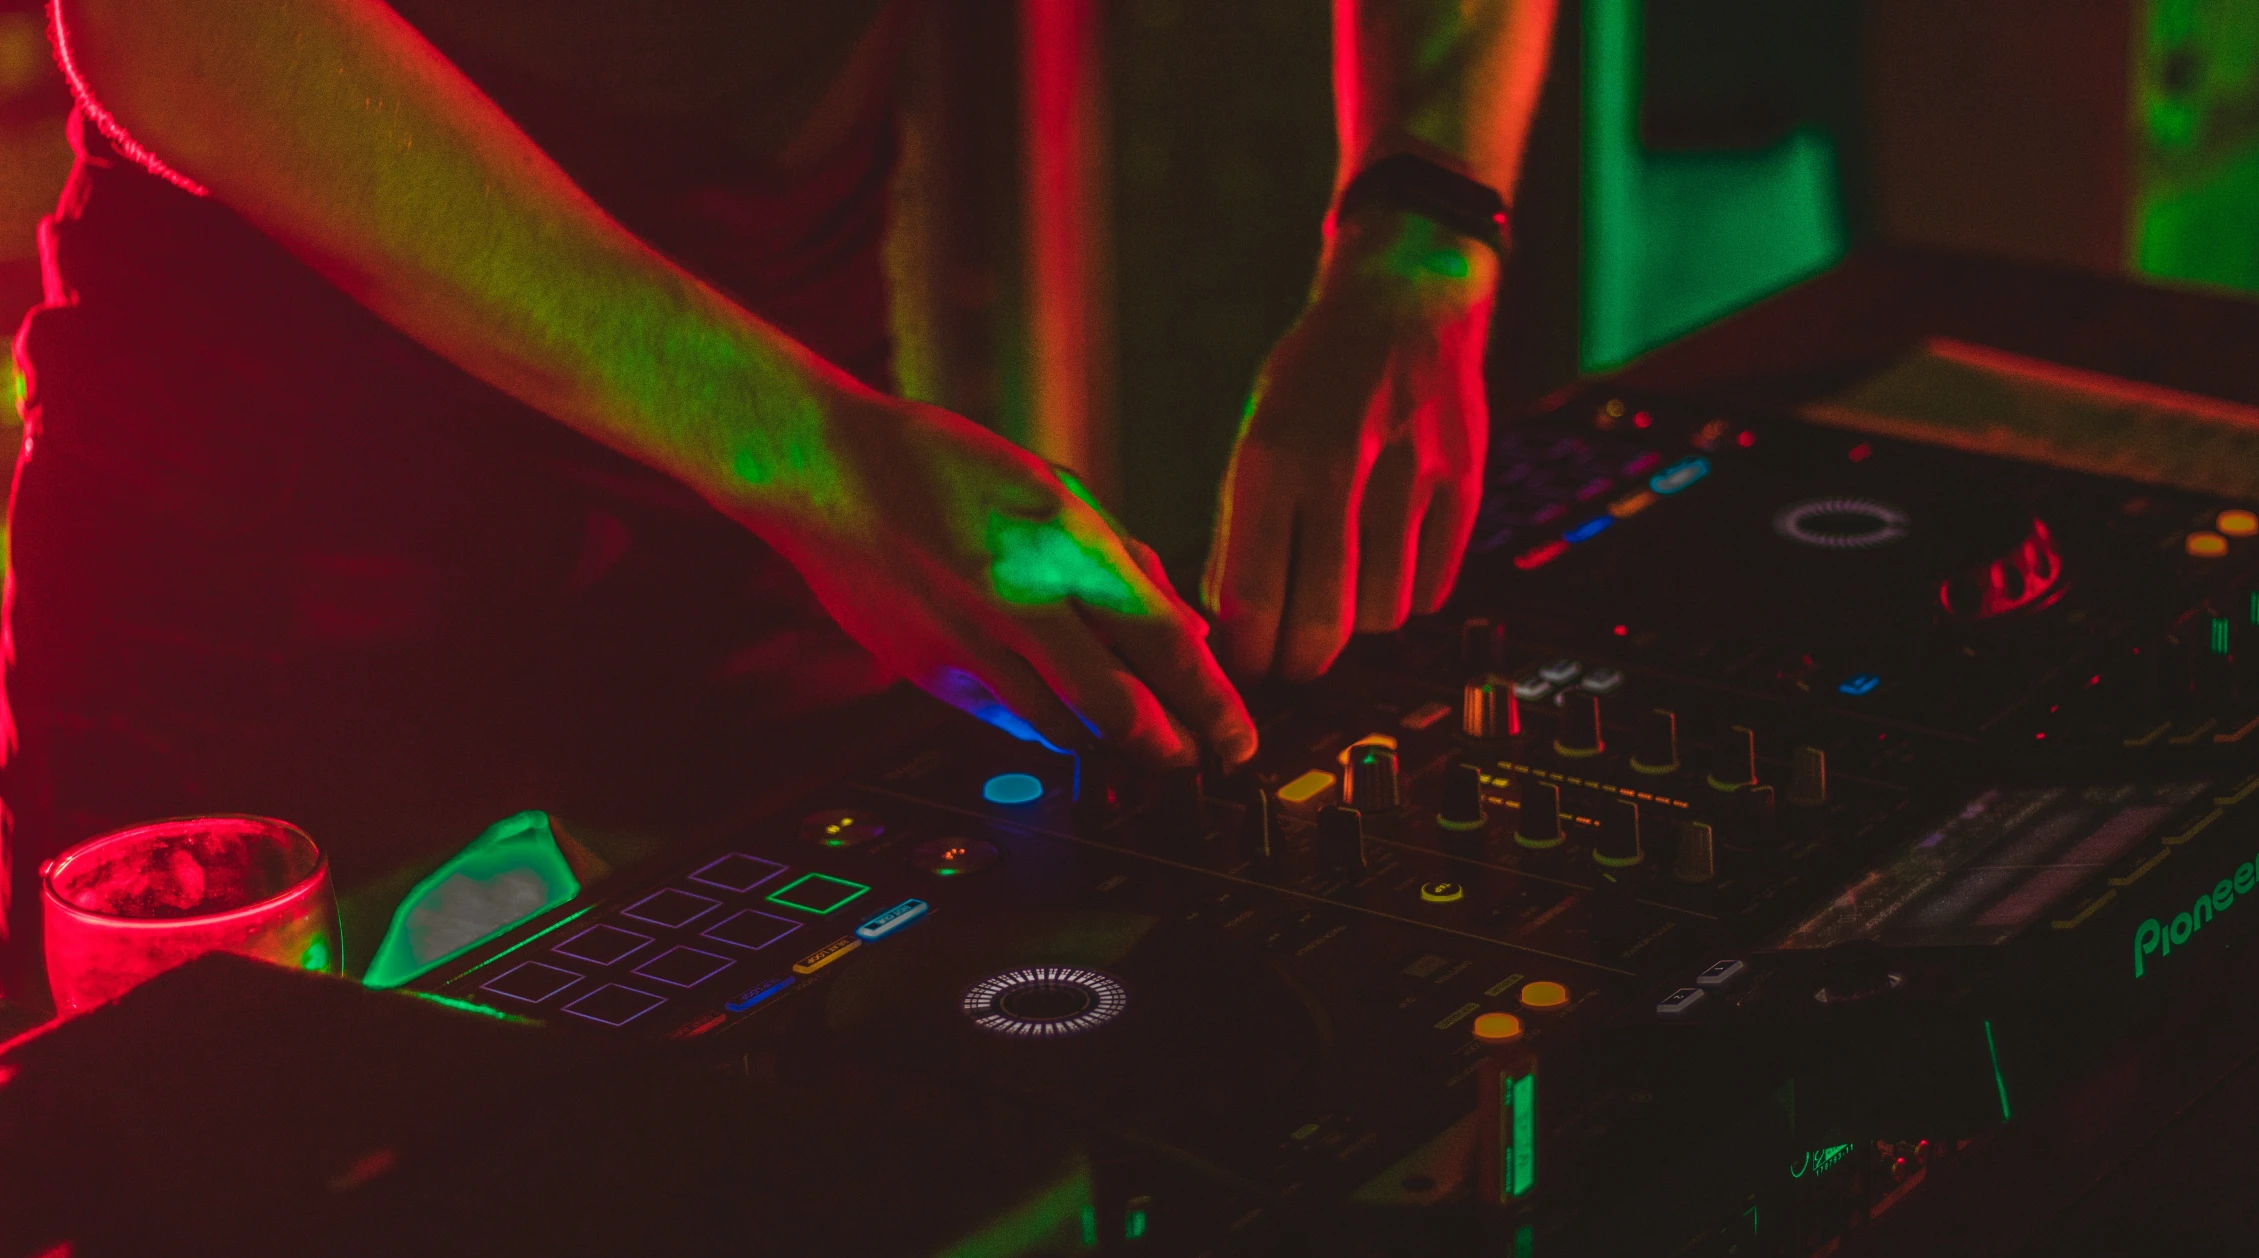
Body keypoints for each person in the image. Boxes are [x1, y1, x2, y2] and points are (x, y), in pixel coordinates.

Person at [14, 0, 1554, 971]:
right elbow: (178, 28)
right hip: (288, 560)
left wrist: (1420, 234)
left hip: (782, 509)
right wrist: (822, 459)